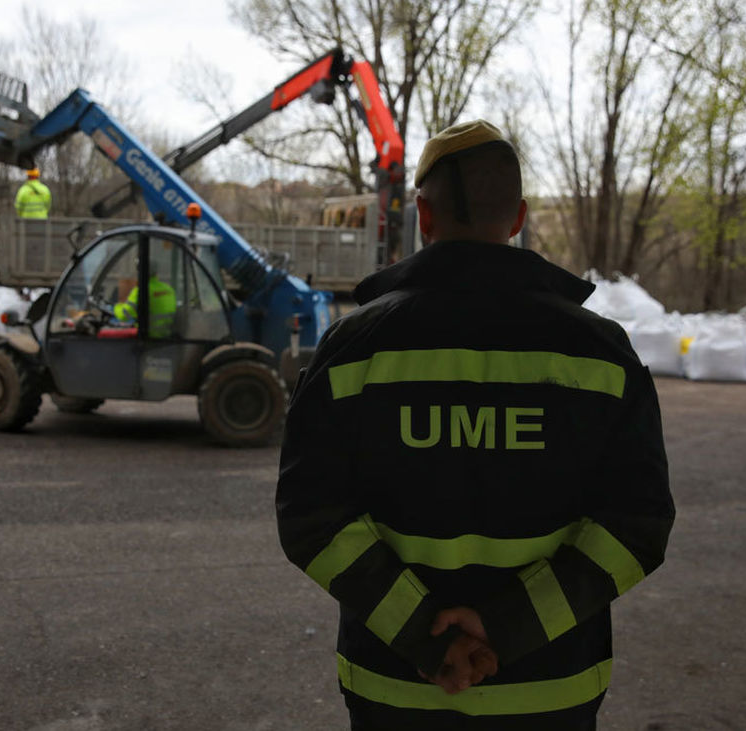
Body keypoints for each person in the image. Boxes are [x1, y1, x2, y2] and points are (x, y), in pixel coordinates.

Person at [275, 120, 674, 730]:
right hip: (551, 694)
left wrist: (426, 638)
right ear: (517, 217)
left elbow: (312, 521)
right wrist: (504, 627)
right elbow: (636, 527)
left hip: (396, 691)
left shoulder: (352, 351)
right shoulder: (600, 354)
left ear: (424, 218)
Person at [112, 261, 176, 338]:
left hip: (149, 337)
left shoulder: (141, 291)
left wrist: (116, 307)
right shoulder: (168, 289)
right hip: (167, 335)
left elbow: (124, 315)